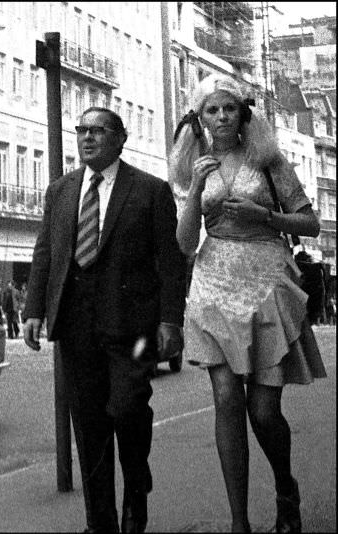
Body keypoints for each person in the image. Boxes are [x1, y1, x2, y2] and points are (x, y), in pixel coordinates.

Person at [170, 74, 326, 533]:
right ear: (199, 119)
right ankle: (239, 521)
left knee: (263, 411)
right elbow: (183, 244)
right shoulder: (191, 164)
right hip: (213, 279)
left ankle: (284, 486)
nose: (220, 118)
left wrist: (267, 217)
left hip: (266, 278)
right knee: (224, 398)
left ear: (243, 113)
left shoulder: (268, 159)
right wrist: (196, 191)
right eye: (211, 111)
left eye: (228, 109)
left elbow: (310, 223)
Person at [23, 107, 187, 533]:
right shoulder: (60, 191)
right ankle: (101, 522)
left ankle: (137, 485)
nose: (87, 137)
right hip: (77, 324)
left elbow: (170, 262)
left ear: (121, 139)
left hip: (134, 329)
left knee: (129, 407)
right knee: (90, 424)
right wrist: (34, 310)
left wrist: (171, 321)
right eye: (81, 130)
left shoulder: (149, 191)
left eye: (98, 130)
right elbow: (46, 253)